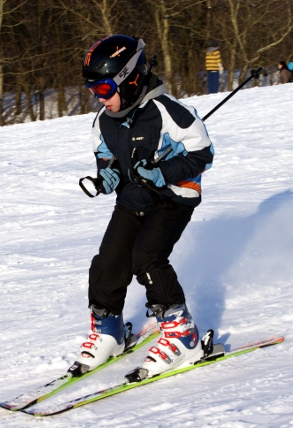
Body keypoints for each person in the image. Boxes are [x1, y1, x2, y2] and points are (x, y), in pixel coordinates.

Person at [72, 35, 215, 383]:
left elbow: (203, 155)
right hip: (134, 198)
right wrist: (108, 178)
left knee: (146, 258)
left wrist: (163, 172)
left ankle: (184, 336)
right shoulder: (102, 122)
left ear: (130, 79)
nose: (99, 99)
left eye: (104, 89)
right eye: (93, 91)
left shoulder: (169, 113)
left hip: (173, 198)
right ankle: (110, 331)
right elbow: (108, 160)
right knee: (108, 261)